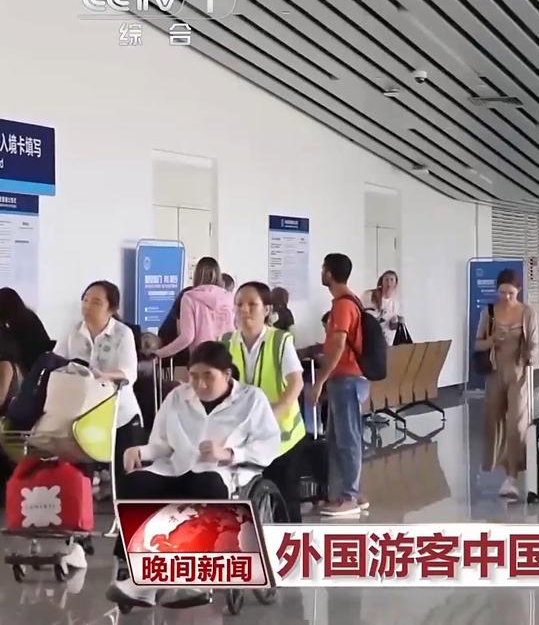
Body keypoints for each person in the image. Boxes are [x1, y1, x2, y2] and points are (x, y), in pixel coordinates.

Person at [108, 341, 280, 609]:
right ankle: (140, 575)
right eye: (194, 376)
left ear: (227, 374)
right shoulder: (177, 398)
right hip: (177, 466)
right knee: (137, 483)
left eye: (208, 376)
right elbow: (161, 444)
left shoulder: (252, 400)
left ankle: (197, 575)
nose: (200, 384)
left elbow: (268, 445)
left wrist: (229, 453)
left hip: (224, 472)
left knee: (205, 485)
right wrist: (140, 450)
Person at [55, 281, 141, 589]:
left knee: (127, 482)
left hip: (120, 416)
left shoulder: (122, 334)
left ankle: (128, 550)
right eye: (85, 300)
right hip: (84, 419)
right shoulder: (73, 332)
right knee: (78, 478)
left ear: (111, 308)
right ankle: (79, 540)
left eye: (96, 302)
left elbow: (129, 372)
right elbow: (56, 364)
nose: (88, 307)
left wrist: (101, 376)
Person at [223, 282, 306, 521]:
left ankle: (291, 541)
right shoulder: (226, 342)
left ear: (267, 309)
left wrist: (272, 415)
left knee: (286, 499)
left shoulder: (280, 340)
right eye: (239, 304)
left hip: (282, 436)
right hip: (245, 435)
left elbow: (295, 383)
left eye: (252, 304)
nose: (244, 310)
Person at [307, 253, 369, 517]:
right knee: (336, 439)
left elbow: (338, 346)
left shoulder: (343, 305)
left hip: (347, 379)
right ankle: (342, 493)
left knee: (347, 439)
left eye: (323, 269)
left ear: (329, 273)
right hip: (343, 379)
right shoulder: (348, 302)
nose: (322, 273)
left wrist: (319, 381)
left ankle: (350, 496)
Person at [475, 268, 537, 499]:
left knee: (517, 423)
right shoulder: (489, 312)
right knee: (494, 422)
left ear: (518, 290)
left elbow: (534, 342)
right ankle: (498, 468)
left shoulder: (527, 312)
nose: (506, 297)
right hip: (495, 371)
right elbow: (477, 344)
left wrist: (531, 354)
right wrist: (492, 340)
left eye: (510, 293)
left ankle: (513, 475)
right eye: (502, 293)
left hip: (518, 372)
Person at [155, 257, 236, 362]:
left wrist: (160, 353)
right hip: (227, 356)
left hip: (201, 359)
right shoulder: (231, 298)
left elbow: (187, 337)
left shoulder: (189, 298)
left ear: (196, 275)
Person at [0, 288, 52, 374]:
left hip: (32, 366)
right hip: (38, 364)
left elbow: (18, 353)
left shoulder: (20, 323)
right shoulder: (27, 317)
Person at [363, 270, 404, 345]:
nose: (389, 283)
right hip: (370, 339)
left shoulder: (396, 303)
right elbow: (363, 316)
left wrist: (396, 320)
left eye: (391, 280)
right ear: (381, 282)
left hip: (387, 343)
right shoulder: (369, 295)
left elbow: (393, 327)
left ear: (395, 284)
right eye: (386, 279)